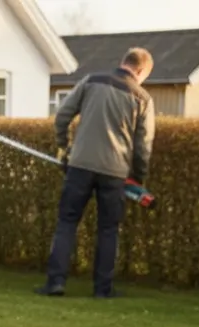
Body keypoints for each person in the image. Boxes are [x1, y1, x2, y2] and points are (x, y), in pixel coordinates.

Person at [36, 47, 156, 298]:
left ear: (124, 62)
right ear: (141, 70)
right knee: (108, 229)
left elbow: (62, 118)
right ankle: (103, 289)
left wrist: (65, 149)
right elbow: (143, 145)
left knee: (67, 223)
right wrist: (139, 179)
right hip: (115, 172)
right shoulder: (142, 98)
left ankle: (55, 283)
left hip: (79, 166)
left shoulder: (91, 81)